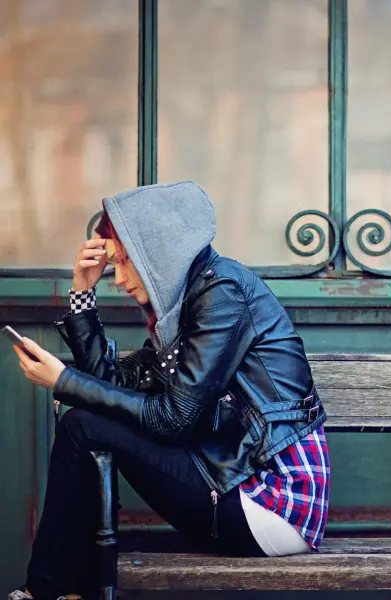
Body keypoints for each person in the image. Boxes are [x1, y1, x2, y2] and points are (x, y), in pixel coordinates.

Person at [10, 181, 329, 600]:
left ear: (157, 253)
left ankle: (47, 590)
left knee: (81, 425)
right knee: (85, 423)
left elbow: (173, 419)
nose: (119, 280)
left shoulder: (223, 294)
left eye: (125, 263)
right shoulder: (184, 309)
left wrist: (65, 382)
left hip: (275, 502)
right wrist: (82, 294)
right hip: (236, 483)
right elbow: (112, 385)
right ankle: (62, 589)